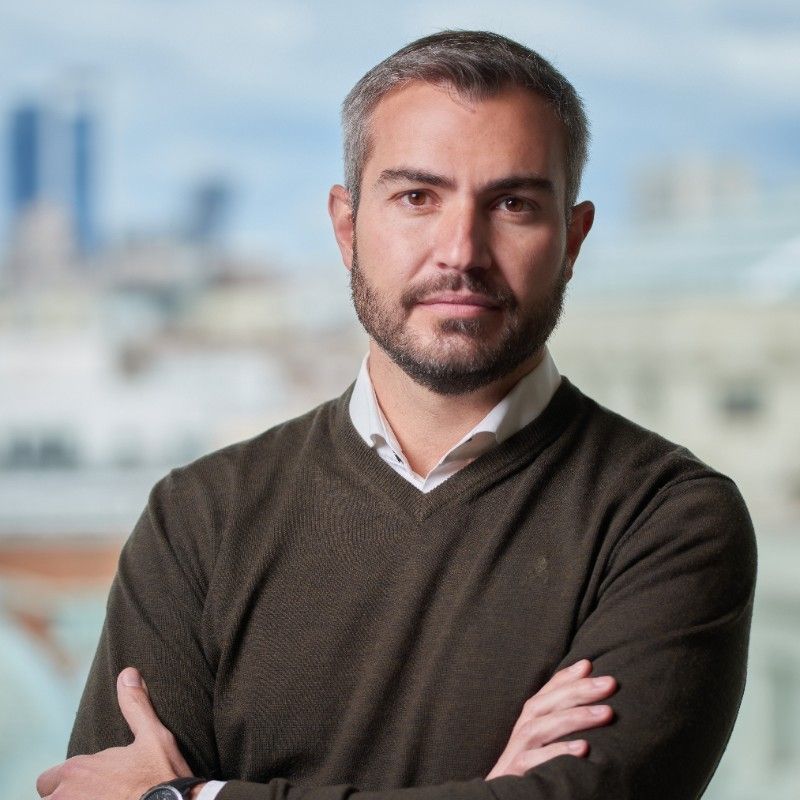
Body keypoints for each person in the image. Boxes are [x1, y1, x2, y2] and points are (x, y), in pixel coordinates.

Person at [37, 30, 756, 800]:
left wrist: (193, 795)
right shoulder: (200, 519)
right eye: (417, 197)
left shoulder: (666, 519)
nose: (461, 251)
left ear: (573, 240)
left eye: (512, 204)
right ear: (347, 227)